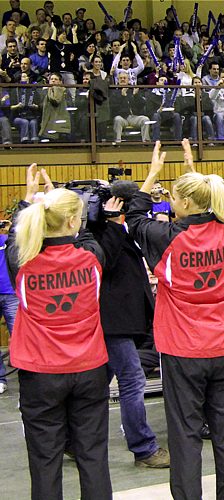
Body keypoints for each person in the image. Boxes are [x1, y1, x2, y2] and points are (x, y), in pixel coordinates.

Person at [126, 139, 224, 500]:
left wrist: (151, 175)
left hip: (183, 351)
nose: (171, 202)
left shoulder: (166, 238)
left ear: (187, 203)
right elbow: (219, 208)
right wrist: (194, 173)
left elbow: (134, 217)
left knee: (185, 435)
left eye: (175, 198)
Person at [7, 164, 112, 500]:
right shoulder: (91, 259)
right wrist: (64, 205)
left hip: (41, 373)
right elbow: (87, 236)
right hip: (89, 368)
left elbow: (15, 239)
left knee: (45, 459)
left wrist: (29, 200)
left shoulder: (23, 262)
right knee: (93, 455)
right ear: (72, 221)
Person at [88, 183, 170, 468]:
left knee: (98, 384)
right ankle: (143, 448)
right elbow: (105, 263)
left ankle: (73, 439)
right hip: (113, 323)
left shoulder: (120, 229)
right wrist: (110, 223)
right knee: (132, 380)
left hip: (125, 321)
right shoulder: (98, 232)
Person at [0, 216, 18, 394]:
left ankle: (30, 377)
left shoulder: (7, 241)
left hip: (11, 294)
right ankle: (0, 379)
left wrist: (11, 230)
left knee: (20, 337)